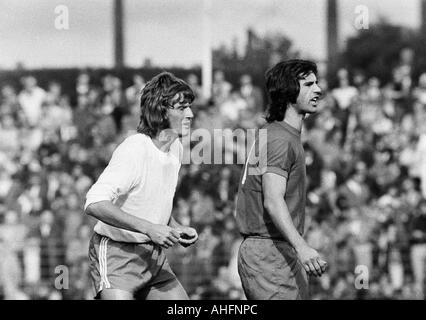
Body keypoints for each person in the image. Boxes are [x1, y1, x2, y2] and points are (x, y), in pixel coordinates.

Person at [84, 72, 199, 300]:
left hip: (153, 256)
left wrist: (174, 227)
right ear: (161, 110)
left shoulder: (176, 148)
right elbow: (94, 203)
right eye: (182, 108)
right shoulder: (135, 149)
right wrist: (149, 228)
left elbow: (150, 203)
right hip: (118, 253)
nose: (191, 114)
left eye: (189, 107)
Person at [235, 59, 327, 300]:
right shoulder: (279, 139)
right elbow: (273, 201)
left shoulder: (279, 134)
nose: (318, 89)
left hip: (276, 249)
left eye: (317, 83)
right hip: (269, 250)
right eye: (309, 84)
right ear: (288, 91)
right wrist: (303, 247)